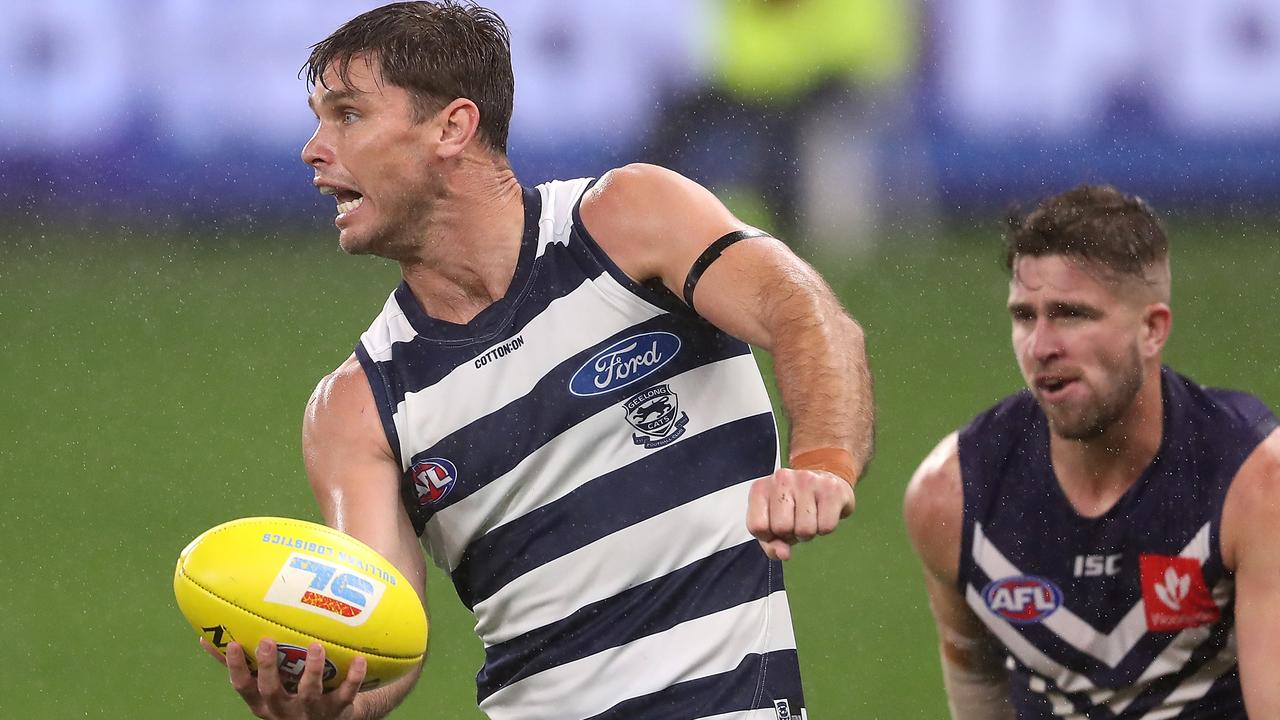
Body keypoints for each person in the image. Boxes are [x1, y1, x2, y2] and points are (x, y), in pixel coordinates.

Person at [198, 2, 874, 719]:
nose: (313, 147)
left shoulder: (630, 225)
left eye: (348, 115)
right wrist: (332, 704)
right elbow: (380, 646)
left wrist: (823, 460)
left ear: (453, 128)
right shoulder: (356, 409)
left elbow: (805, 314)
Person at [903, 185, 1280, 719]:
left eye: (1071, 314)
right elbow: (977, 692)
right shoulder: (951, 498)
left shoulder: (1255, 483)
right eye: (1024, 316)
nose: (1041, 347)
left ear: (1152, 329)